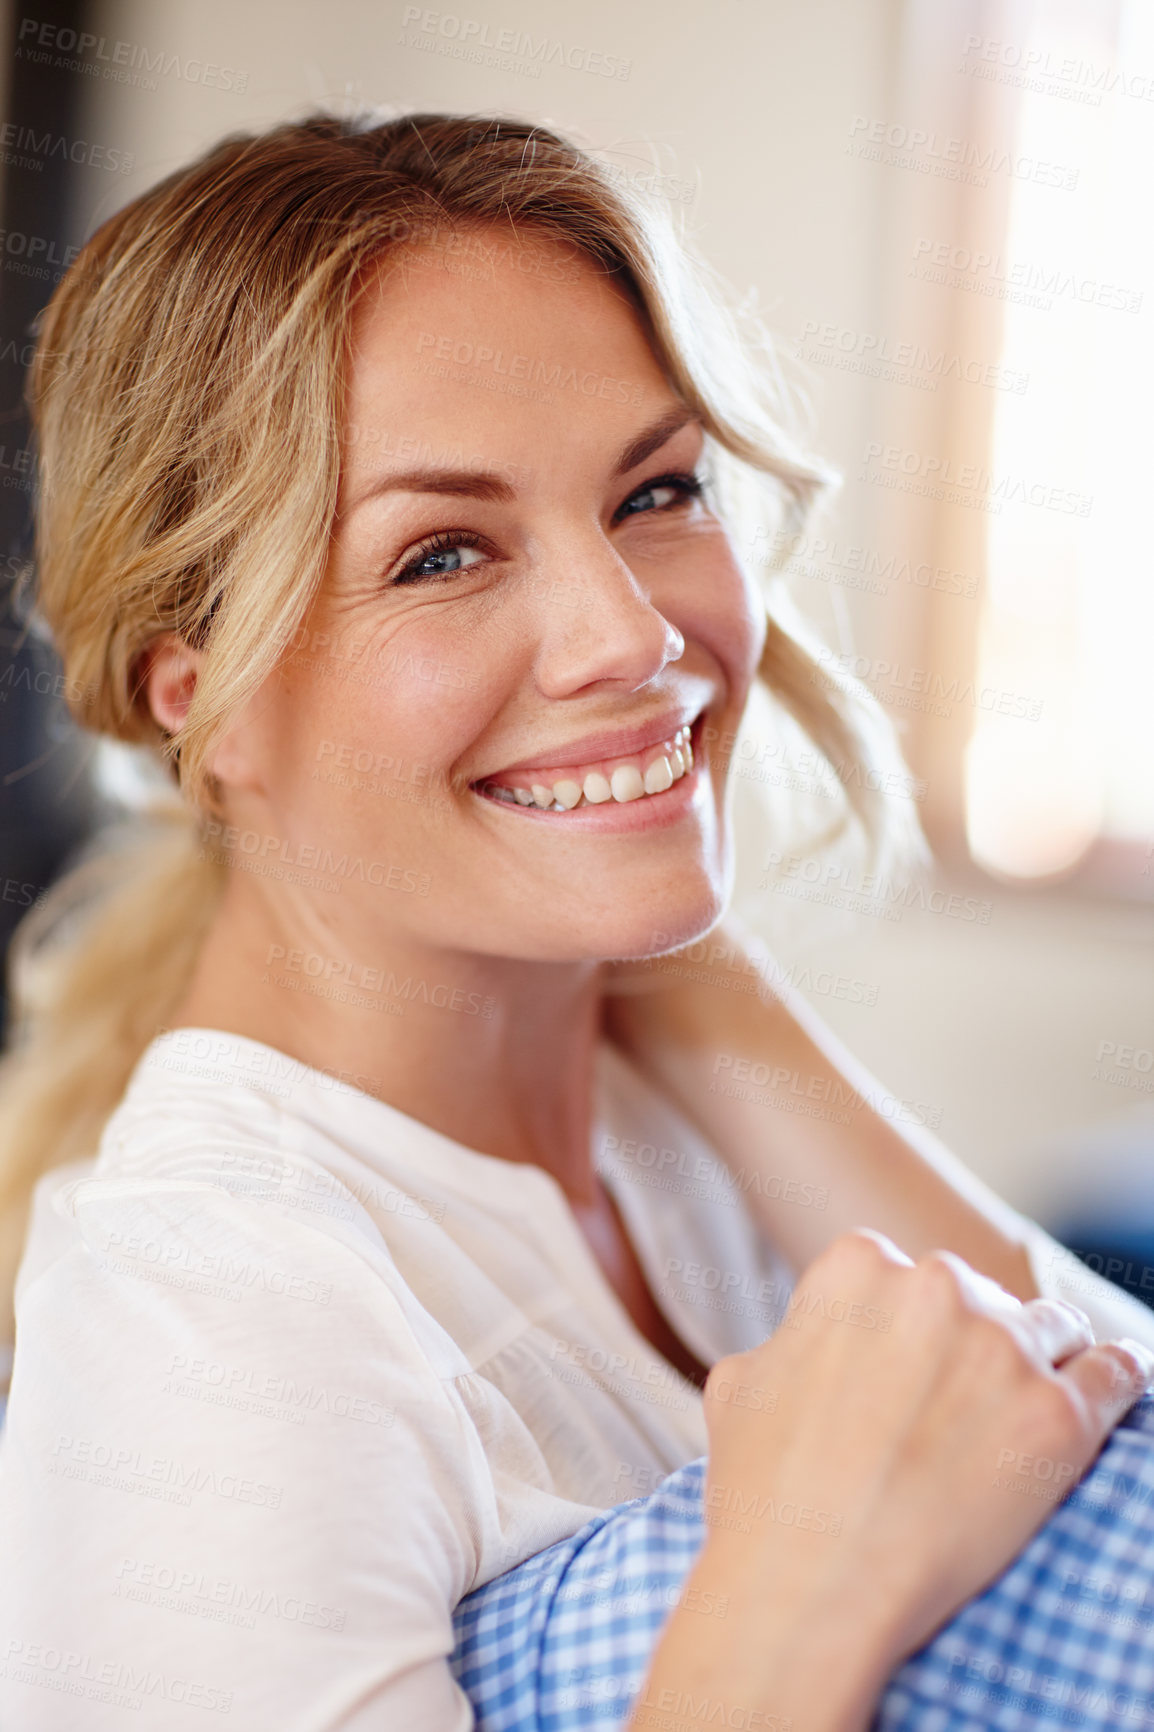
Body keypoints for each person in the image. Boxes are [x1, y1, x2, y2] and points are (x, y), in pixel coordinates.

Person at [0, 110, 1151, 1732]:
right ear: (203, 705)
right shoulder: (207, 1302)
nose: (629, 633)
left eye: (654, 489)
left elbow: (1130, 1516)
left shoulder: (657, 1082)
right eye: (443, 551)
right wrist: (792, 1599)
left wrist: (705, 988)